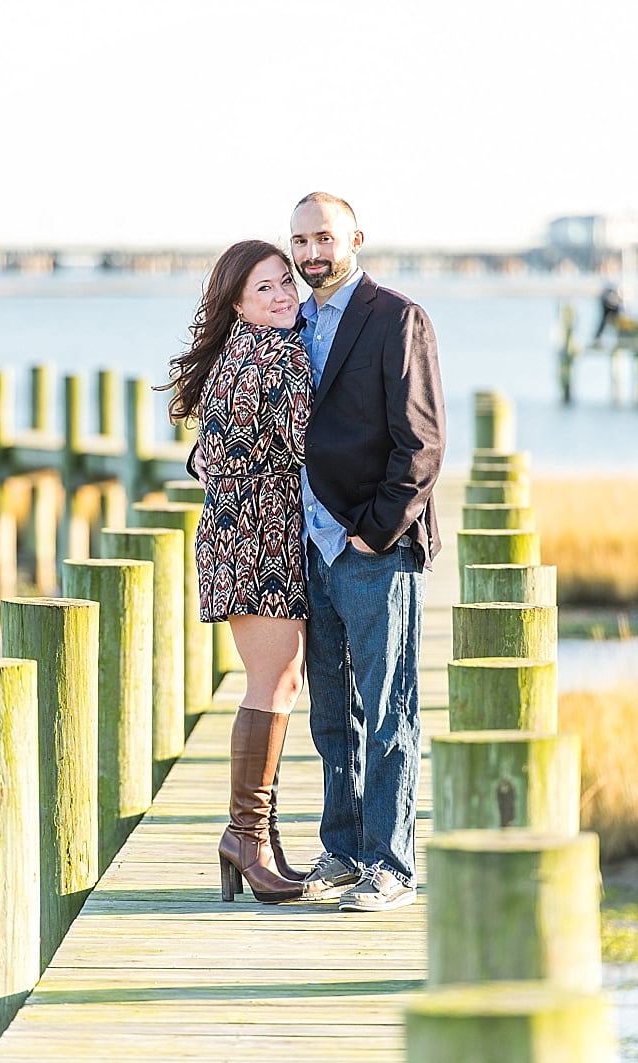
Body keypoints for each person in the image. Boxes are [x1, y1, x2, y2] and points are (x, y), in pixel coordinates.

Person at [288, 192, 445, 912]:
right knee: (332, 714)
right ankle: (344, 850)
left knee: (390, 709)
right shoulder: (293, 318)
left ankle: (393, 865)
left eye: (323, 236)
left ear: (355, 237)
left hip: (373, 546)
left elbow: (422, 444)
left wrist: (372, 532)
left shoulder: (396, 317)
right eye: (300, 240)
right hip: (310, 546)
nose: (312, 251)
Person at [161, 239, 312, 905]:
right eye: (266, 289)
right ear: (238, 304)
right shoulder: (278, 355)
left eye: (287, 282)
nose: (283, 296)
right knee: (272, 685)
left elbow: (207, 457)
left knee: (274, 682)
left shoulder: (233, 353)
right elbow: (315, 448)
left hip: (233, 534)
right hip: (261, 539)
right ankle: (245, 836)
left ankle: (260, 836)